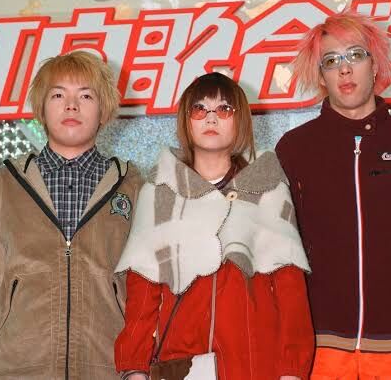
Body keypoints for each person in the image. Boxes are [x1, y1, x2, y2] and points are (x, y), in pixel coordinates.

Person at [114, 72, 314, 380]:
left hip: (256, 365)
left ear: (240, 120)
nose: (211, 118)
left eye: (224, 109)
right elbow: (143, 290)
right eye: (199, 109)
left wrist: (293, 370)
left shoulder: (267, 188)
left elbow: (291, 290)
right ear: (186, 120)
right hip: (181, 365)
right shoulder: (160, 191)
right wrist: (134, 367)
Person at [275, 10, 391, 379]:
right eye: (331, 61)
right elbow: (284, 245)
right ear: (321, 75)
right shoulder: (294, 149)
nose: (345, 69)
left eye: (355, 55)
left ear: (375, 63)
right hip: (320, 345)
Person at [0, 51, 141, 379]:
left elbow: (142, 283)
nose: (71, 106)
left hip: (108, 366)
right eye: (58, 95)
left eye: (86, 96)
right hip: (22, 369)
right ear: (42, 108)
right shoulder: (1, 186)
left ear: (103, 110)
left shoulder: (133, 186)